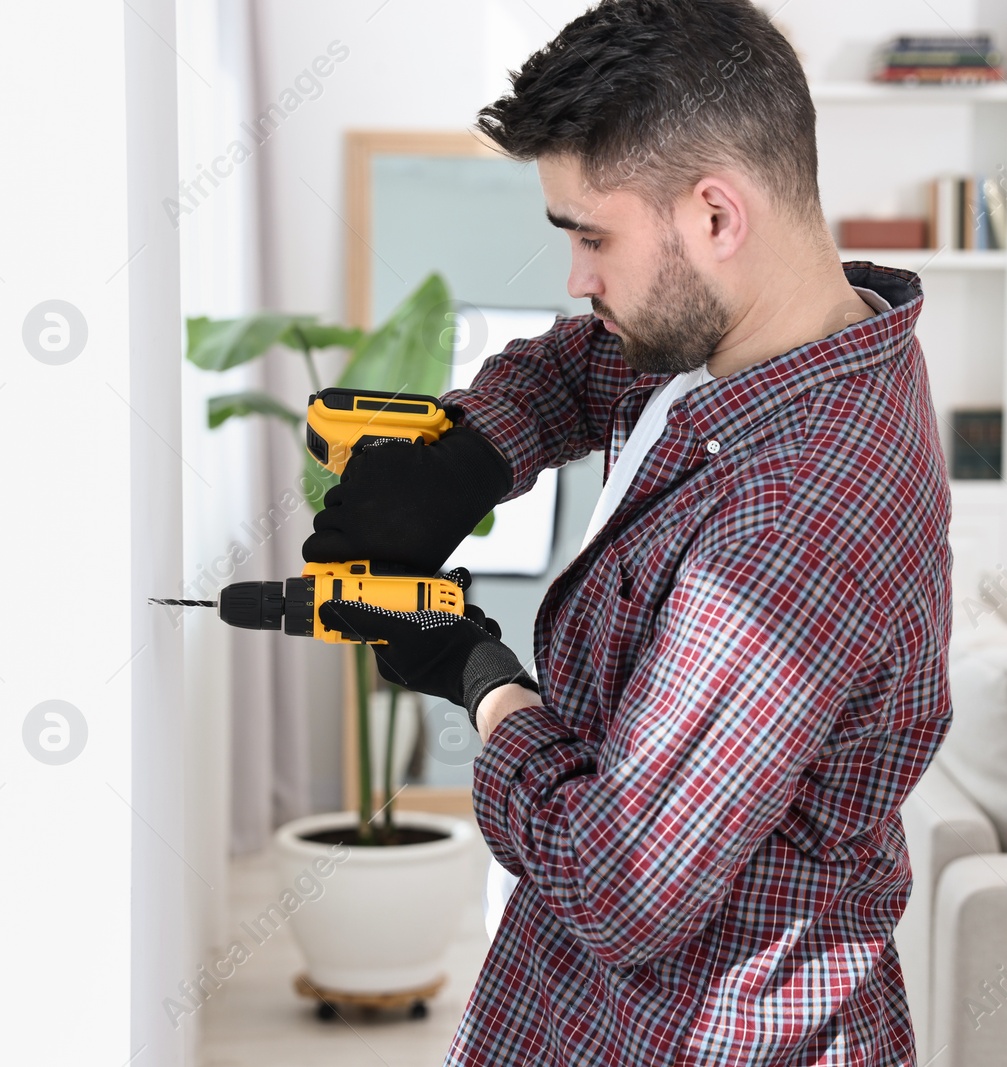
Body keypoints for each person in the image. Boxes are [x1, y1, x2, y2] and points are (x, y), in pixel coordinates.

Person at [305, 1, 954, 1062]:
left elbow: (623, 887)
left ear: (714, 216)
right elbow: (577, 365)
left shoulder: (794, 518)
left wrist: (479, 676)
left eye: (590, 237)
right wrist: (467, 455)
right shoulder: (758, 336)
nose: (576, 279)